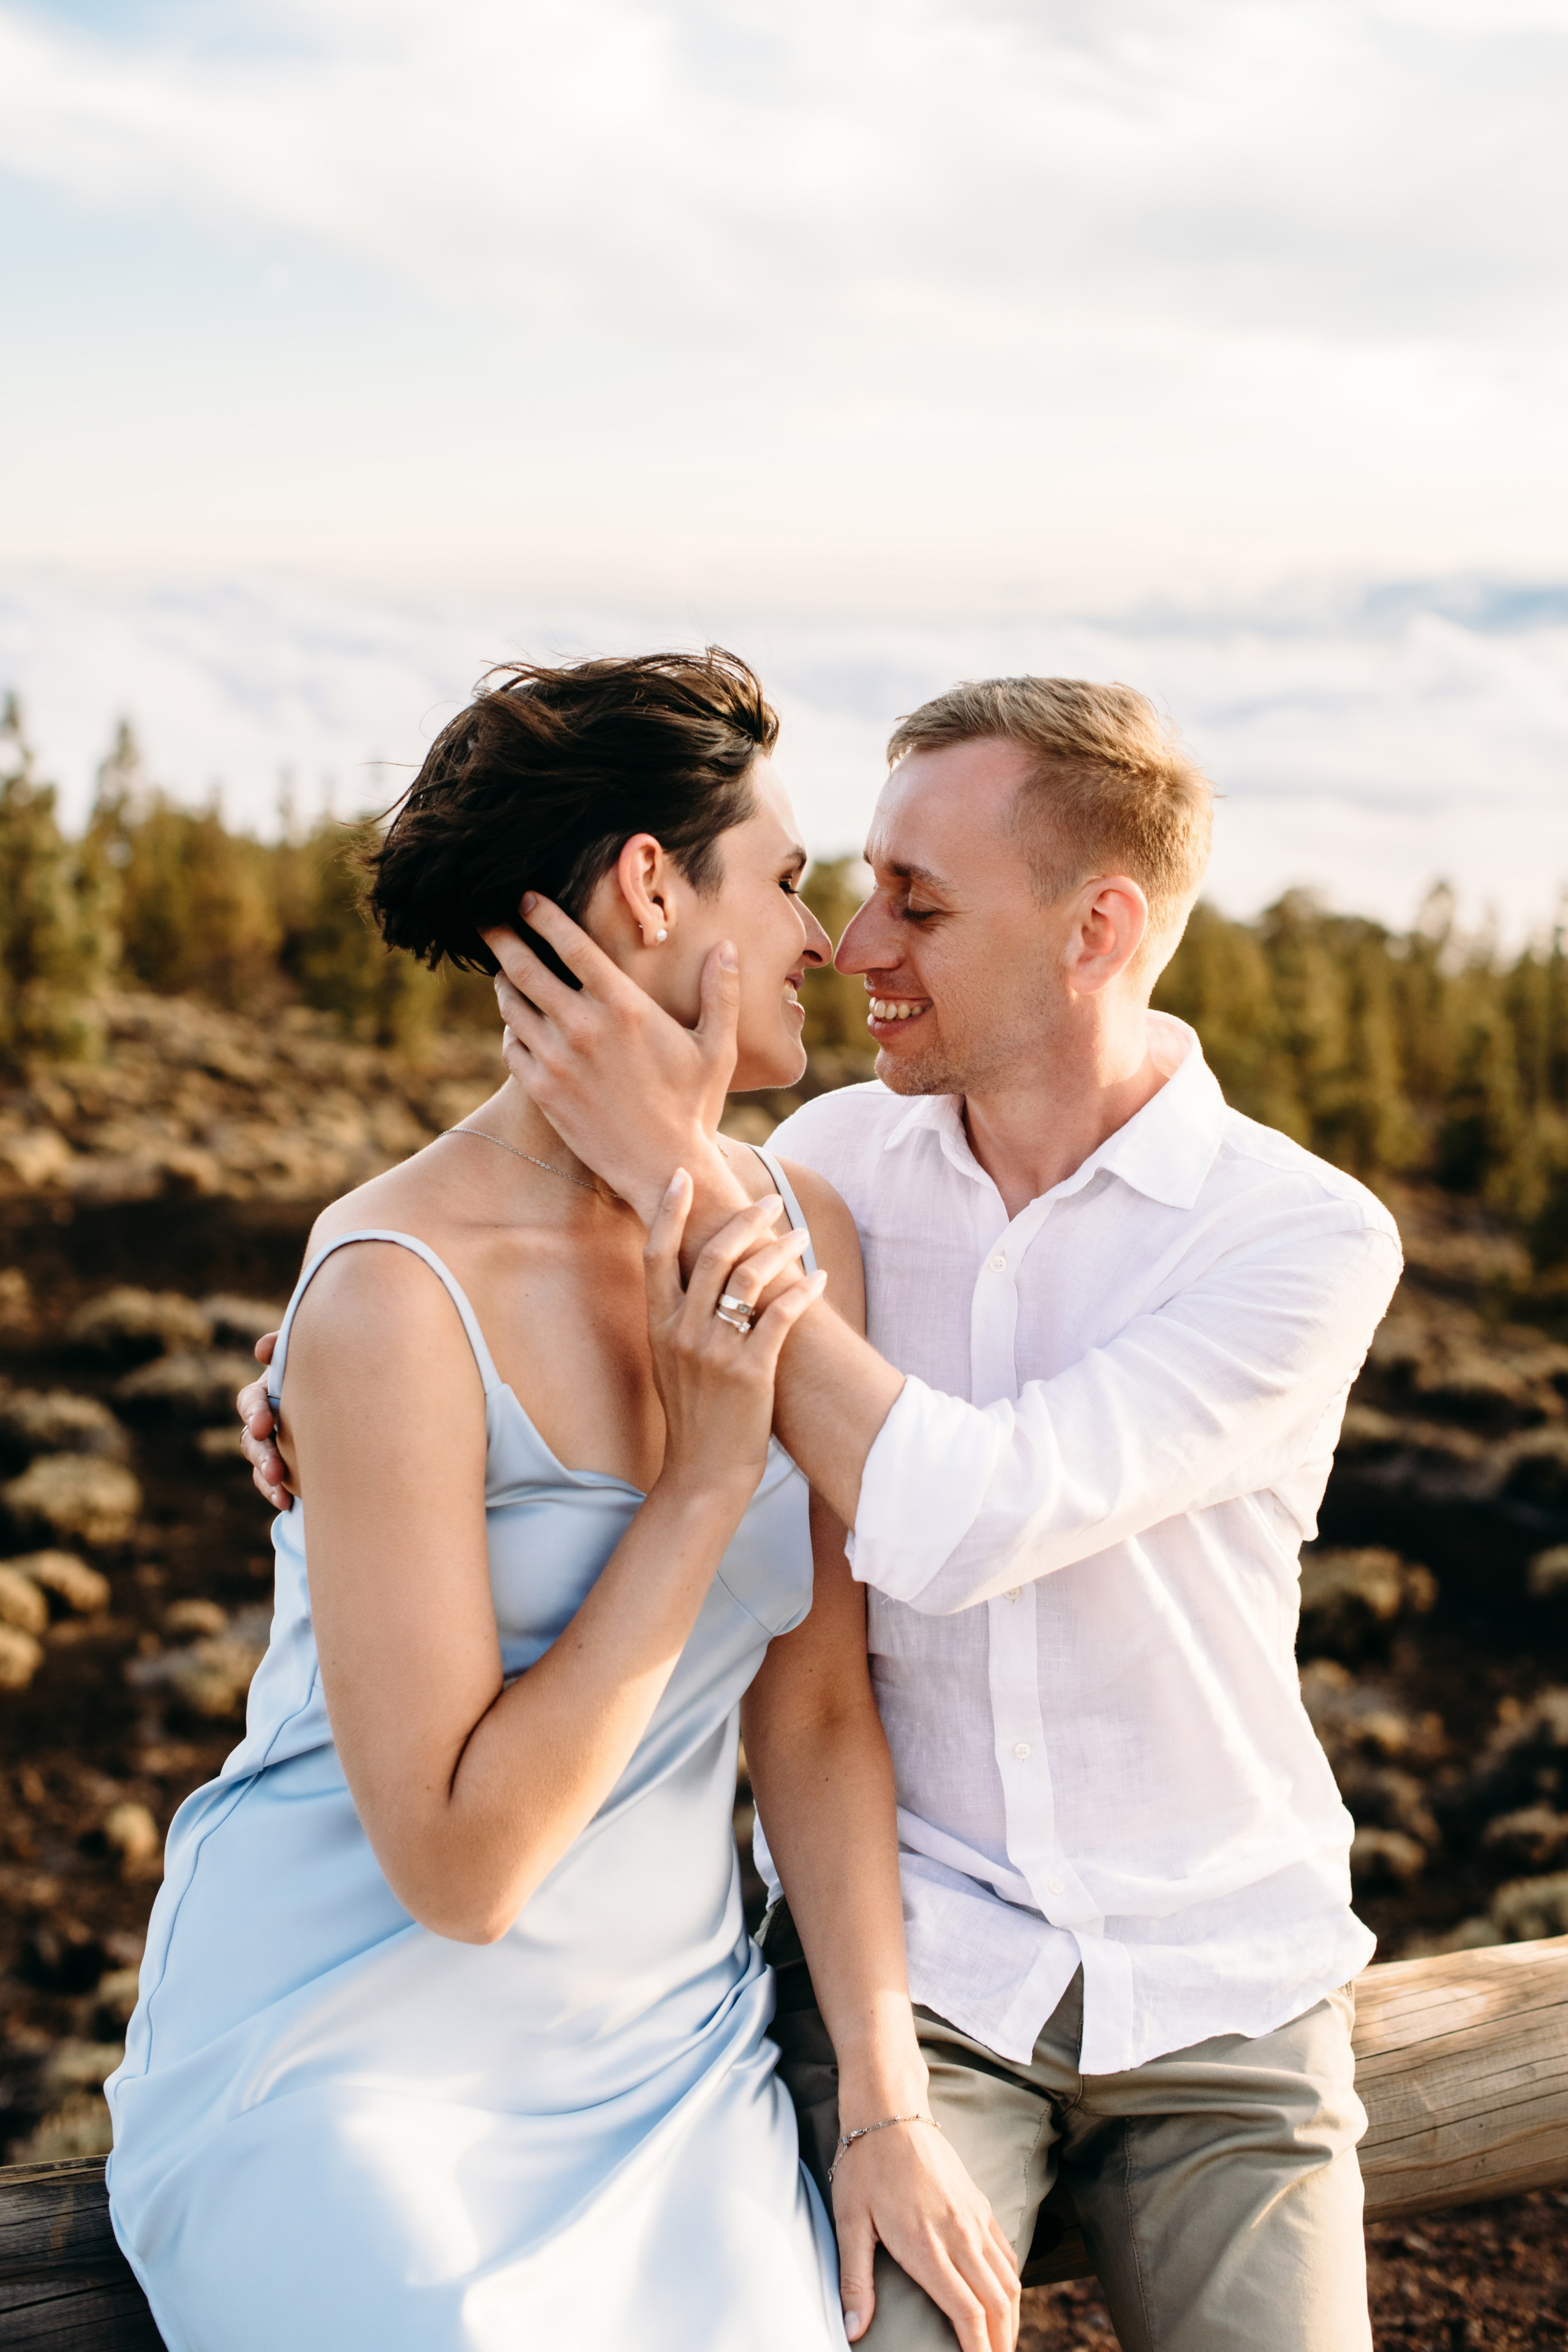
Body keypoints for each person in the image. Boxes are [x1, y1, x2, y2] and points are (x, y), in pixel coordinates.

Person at [363, 672, 1403, 2352]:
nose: (852, 944)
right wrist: (306, 1393)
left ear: (1097, 929)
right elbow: (509, 1297)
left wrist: (681, 1168)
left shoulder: (1296, 1237)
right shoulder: (830, 1173)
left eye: (916, 901)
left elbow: (966, 1516)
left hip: (1230, 1994)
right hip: (922, 1987)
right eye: (853, 886)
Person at [113, 650, 1018, 2352]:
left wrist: (885, 2107)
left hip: (669, 2056)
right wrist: (696, 1488)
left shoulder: (787, 1234)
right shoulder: (391, 1290)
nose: (823, 940)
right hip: (354, 2061)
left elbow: (816, 1721)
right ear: (654, 884)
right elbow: (461, 1873)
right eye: (793, 881)